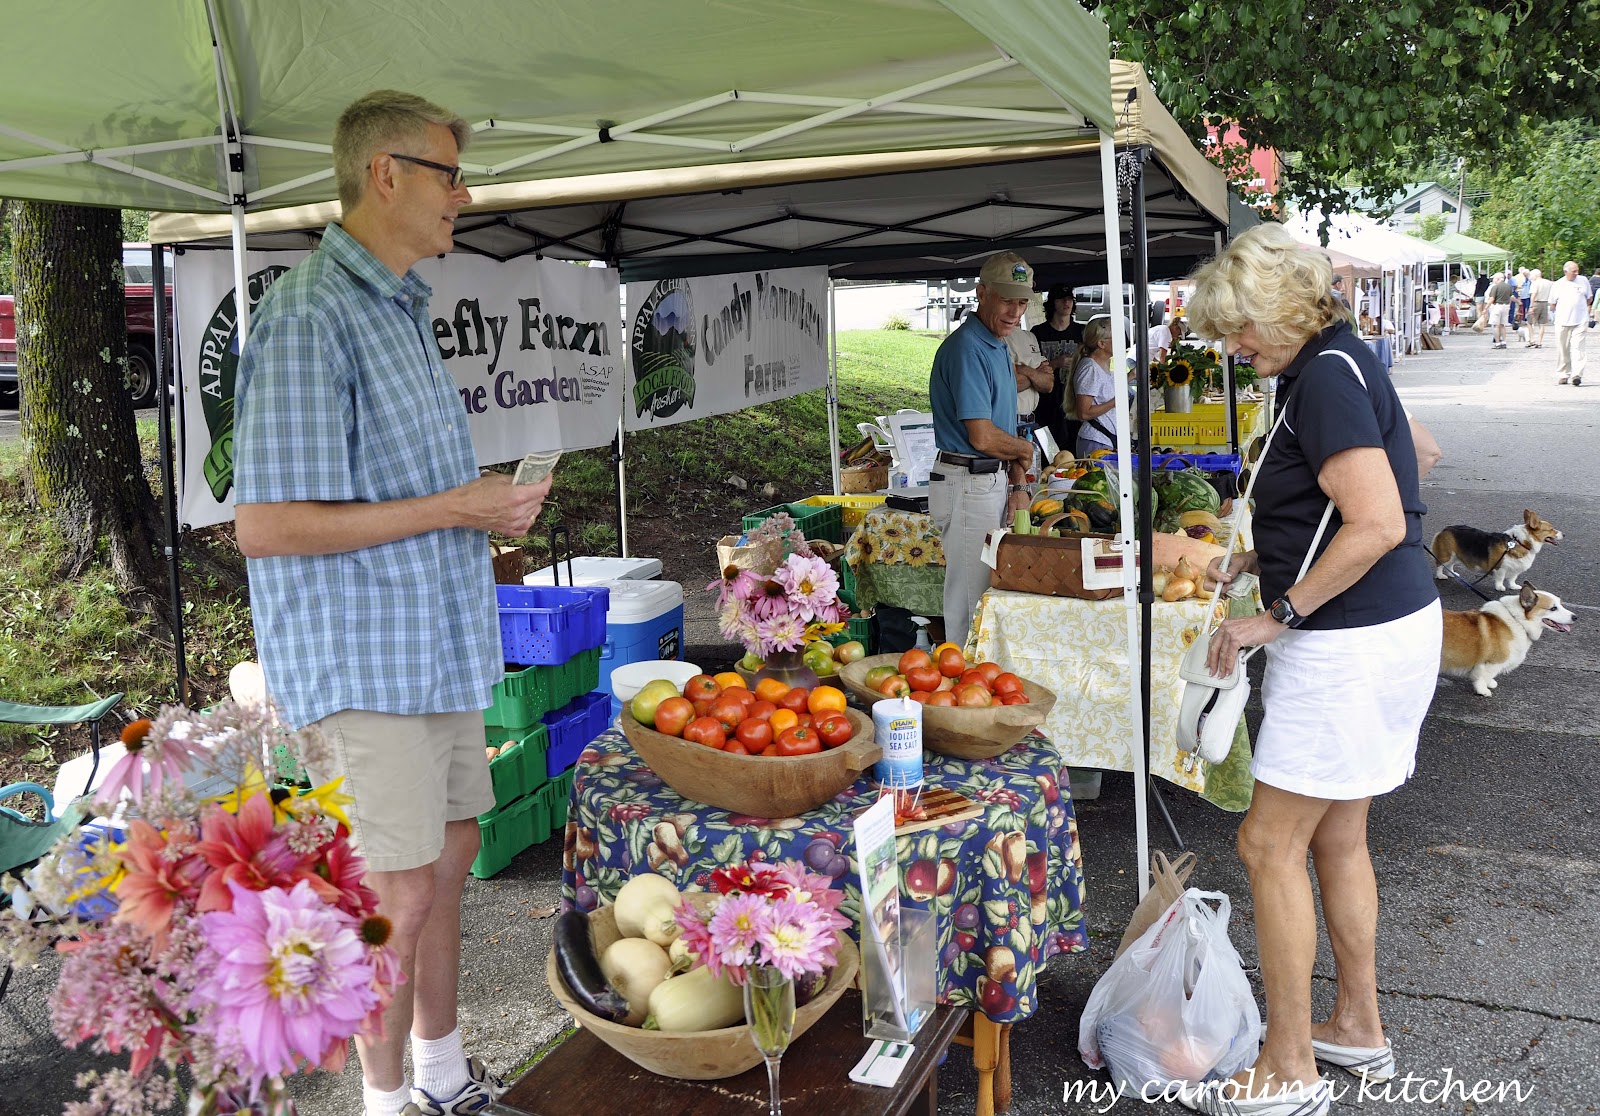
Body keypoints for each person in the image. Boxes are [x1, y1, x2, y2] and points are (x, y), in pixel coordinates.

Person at [233, 90, 550, 1116]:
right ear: (386, 175)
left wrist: (481, 511)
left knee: (449, 859)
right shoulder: (309, 312)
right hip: (362, 665)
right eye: (449, 173)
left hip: (433, 650)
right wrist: (457, 505)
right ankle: (383, 1104)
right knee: (393, 892)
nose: (465, 194)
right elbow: (267, 526)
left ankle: (445, 1079)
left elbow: (397, 497)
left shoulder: (400, 307)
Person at [1176, 223, 1441, 1116]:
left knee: (1266, 843)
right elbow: (1415, 460)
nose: (1231, 345)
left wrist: (1278, 613)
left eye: (1239, 328)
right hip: (1386, 629)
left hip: (1347, 643)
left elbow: (1378, 522)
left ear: (1283, 308)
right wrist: (1267, 561)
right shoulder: (1338, 361)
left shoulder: (1323, 374)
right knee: (1336, 836)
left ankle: (1289, 1067)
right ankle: (1357, 1025)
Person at [927, 251, 1039, 651]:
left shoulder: (996, 344)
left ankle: (975, 685)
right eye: (1007, 299)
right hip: (967, 481)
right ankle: (959, 691)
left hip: (985, 480)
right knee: (969, 600)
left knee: (984, 596)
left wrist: (1018, 483)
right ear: (981, 292)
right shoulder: (967, 348)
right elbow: (983, 436)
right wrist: (1024, 451)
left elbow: (1001, 431)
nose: (1015, 310)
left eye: (1023, 301)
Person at [1032, 285, 1084, 452]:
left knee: (1073, 451)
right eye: (1062, 299)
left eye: (1069, 299)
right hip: (1045, 402)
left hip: (1073, 400)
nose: (1066, 303)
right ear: (1052, 303)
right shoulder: (1038, 332)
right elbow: (1030, 368)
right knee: (1048, 451)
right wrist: (1055, 363)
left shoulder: (1081, 331)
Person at [1072, 317, 1119, 458]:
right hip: (1096, 441)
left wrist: (1131, 376)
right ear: (1101, 343)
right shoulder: (1090, 368)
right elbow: (1084, 413)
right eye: (1115, 336)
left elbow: (1104, 388)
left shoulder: (1103, 365)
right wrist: (1115, 403)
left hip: (1105, 440)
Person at [1549, 260, 1590, 386]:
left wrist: (1584, 310)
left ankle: (1577, 374)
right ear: (1565, 272)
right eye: (1574, 271)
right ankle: (1563, 373)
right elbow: (1552, 304)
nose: (1577, 273)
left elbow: (1589, 298)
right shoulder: (1558, 284)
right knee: (1563, 348)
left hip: (1580, 320)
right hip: (1562, 320)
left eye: (1577, 270)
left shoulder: (1583, 281)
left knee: (1578, 347)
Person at [1485, 271, 1515, 349]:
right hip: (1506, 307)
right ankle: (1504, 342)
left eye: (1494, 278)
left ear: (1497, 279)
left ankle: (1497, 343)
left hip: (1497, 307)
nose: (1493, 280)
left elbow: (1492, 298)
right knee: (1503, 325)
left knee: (1496, 325)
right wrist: (1518, 302)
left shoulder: (1495, 287)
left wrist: (1486, 308)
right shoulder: (1508, 286)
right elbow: (1511, 297)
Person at [1526, 268, 1552, 348]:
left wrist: (1531, 306)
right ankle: (1540, 342)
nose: (1531, 277)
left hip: (1536, 303)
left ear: (1535, 275)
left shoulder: (1535, 283)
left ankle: (1532, 339)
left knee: (1529, 322)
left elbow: (1533, 294)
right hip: (1545, 303)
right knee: (1542, 324)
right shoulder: (1548, 282)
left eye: (1532, 275)